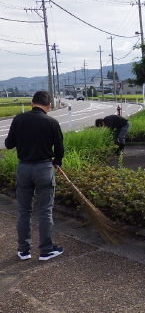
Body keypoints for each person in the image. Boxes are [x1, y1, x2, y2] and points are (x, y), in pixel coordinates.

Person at [5, 91, 65, 261]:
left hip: (23, 168)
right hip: (44, 168)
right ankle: (46, 250)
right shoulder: (52, 122)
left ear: (32, 103)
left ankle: (23, 250)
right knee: (45, 211)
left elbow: (9, 144)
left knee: (24, 211)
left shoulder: (19, 119)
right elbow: (60, 149)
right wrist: (57, 161)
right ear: (48, 106)